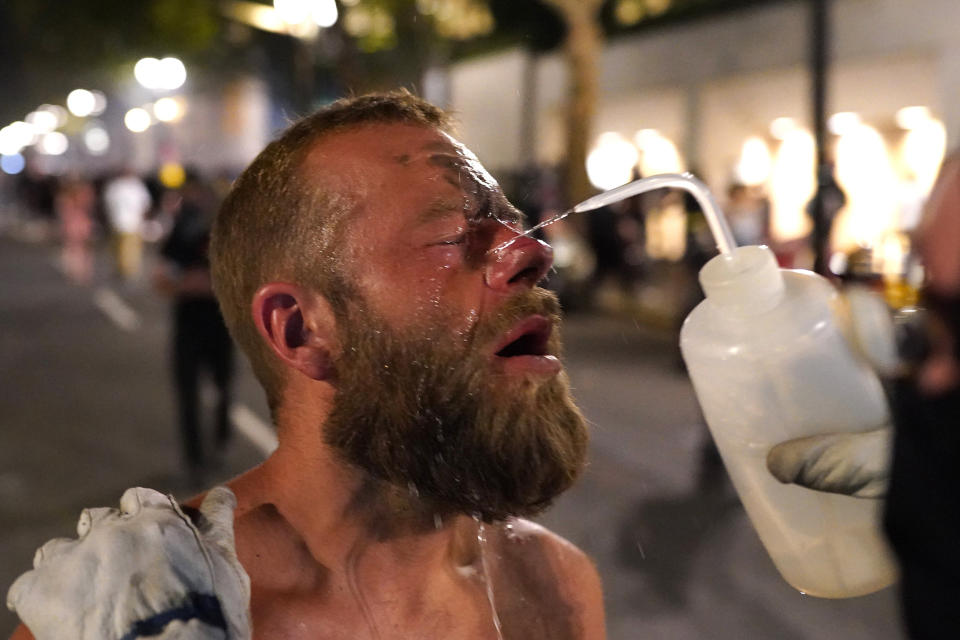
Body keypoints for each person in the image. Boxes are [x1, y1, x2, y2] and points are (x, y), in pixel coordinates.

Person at [8, 90, 605, 639]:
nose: (533, 251)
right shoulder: (130, 614)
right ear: (300, 330)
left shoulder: (556, 589)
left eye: (514, 225)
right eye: (452, 236)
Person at [153, 170, 235, 487]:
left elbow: (244, 280)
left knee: (223, 388)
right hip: (188, 325)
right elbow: (161, 279)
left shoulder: (229, 232)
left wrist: (209, 284)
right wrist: (192, 284)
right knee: (186, 394)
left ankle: (221, 440)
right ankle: (194, 460)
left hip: (223, 325)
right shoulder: (182, 230)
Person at [103, 167, 152, 282]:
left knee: (127, 248)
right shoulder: (120, 186)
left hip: (129, 222)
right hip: (122, 222)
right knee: (123, 248)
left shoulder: (130, 186)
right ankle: (124, 270)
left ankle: (126, 270)